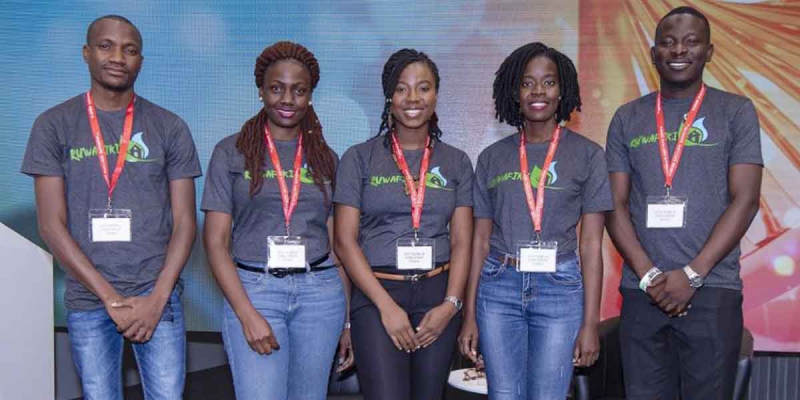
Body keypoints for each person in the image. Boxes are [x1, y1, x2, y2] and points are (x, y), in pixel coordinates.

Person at [20, 15, 201, 399]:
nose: (118, 56)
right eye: (106, 45)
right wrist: (109, 298)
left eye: (130, 49)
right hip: (89, 299)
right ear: (87, 53)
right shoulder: (53, 125)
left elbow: (185, 222)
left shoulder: (170, 127)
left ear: (141, 61)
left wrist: (157, 299)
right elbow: (51, 225)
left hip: (157, 296)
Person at [605, 6, 763, 400]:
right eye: (669, 41)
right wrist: (648, 276)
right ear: (654, 51)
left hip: (712, 289)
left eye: (692, 42)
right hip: (644, 292)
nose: (679, 49)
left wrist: (692, 274)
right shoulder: (627, 118)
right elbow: (614, 204)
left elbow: (745, 200)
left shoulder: (736, 112)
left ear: (708, 52)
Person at [458, 42, 611, 399]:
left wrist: (591, 323)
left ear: (563, 91)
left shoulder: (589, 156)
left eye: (548, 82)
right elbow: (480, 241)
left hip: (560, 288)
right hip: (498, 287)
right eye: (527, 83)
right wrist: (469, 317)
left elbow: (591, 245)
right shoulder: (492, 157)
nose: (538, 91)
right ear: (514, 91)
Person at [201, 41, 353, 400]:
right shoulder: (231, 152)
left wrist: (347, 321)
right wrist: (246, 314)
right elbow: (215, 242)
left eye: (299, 91)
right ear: (261, 91)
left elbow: (337, 246)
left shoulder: (325, 158)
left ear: (310, 96)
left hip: (320, 294)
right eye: (277, 88)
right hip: (256, 290)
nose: (288, 99)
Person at [333, 48, 473, 400]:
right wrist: (386, 307)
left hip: (437, 295)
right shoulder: (358, 159)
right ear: (388, 96)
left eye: (423, 88)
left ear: (436, 95)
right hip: (377, 294)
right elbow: (345, 242)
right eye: (402, 88)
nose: (413, 98)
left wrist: (450, 305)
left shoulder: (456, 162)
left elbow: (462, 242)